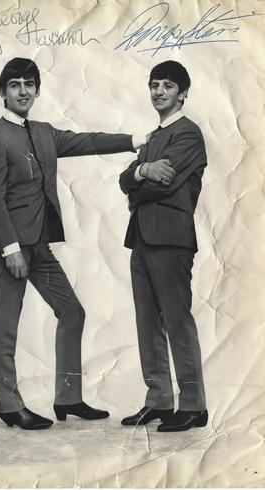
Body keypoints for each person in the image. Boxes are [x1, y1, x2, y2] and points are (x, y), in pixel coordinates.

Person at [0, 57, 145, 430]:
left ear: (36, 90)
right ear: (3, 92)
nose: (23, 91)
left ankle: (68, 398)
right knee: (7, 324)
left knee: (72, 313)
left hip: (40, 246)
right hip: (13, 249)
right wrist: (10, 248)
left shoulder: (43, 132)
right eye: (15, 85)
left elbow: (86, 141)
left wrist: (135, 140)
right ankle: (9, 405)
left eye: (29, 84)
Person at [119, 60, 208, 432]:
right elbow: (126, 179)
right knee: (147, 321)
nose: (159, 91)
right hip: (141, 237)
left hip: (171, 240)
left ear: (182, 93)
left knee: (176, 320)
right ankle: (158, 400)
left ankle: (193, 405)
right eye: (154, 84)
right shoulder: (154, 138)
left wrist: (140, 181)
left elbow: (166, 184)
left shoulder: (188, 134)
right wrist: (141, 171)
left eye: (168, 85)